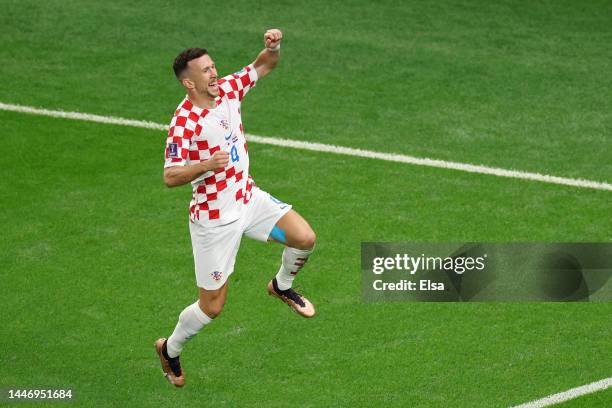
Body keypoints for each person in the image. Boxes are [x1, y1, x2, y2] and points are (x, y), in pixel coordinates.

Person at [154, 29, 317, 388]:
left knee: (304, 237)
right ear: (188, 83)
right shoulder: (183, 124)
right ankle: (170, 350)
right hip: (214, 220)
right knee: (212, 307)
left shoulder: (228, 89)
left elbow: (265, 64)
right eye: (206, 71)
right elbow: (170, 176)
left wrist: (273, 47)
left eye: (214, 67)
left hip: (247, 198)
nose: (214, 74)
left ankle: (281, 285)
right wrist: (204, 166)